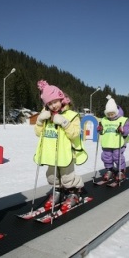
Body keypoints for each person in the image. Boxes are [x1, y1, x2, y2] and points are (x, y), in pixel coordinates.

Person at [34, 80, 88, 212]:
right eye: (49, 103)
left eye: (55, 101)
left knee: (67, 177)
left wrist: (64, 122)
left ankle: (73, 193)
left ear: (61, 98)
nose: (53, 106)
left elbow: (75, 134)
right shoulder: (45, 115)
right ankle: (57, 192)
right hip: (50, 153)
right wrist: (40, 121)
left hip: (65, 154)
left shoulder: (71, 115)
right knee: (52, 177)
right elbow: (37, 133)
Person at [97, 95, 129, 181]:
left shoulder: (122, 119)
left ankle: (121, 171)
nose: (111, 116)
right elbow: (101, 130)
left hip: (118, 143)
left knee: (117, 157)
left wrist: (123, 130)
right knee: (106, 157)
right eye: (108, 114)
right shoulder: (104, 120)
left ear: (116, 112)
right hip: (107, 143)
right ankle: (109, 170)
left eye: (112, 113)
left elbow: (128, 130)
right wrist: (99, 129)